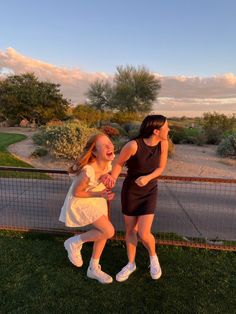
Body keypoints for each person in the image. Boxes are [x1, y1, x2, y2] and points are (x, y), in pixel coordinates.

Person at [101, 115, 169, 282]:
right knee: (131, 230)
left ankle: (153, 258)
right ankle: (131, 264)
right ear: (156, 131)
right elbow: (118, 163)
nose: (169, 129)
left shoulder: (163, 144)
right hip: (131, 191)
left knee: (144, 232)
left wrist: (147, 178)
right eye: (166, 127)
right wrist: (113, 179)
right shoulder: (133, 145)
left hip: (150, 191)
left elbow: (161, 168)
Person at [59, 133, 115, 284]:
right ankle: (74, 242)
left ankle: (93, 269)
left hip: (96, 199)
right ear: (95, 152)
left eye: (110, 143)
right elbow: (77, 192)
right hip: (81, 201)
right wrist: (100, 193)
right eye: (104, 145)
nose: (110, 146)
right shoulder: (87, 170)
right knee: (108, 231)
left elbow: (103, 174)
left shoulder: (107, 163)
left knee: (103, 233)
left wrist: (105, 178)